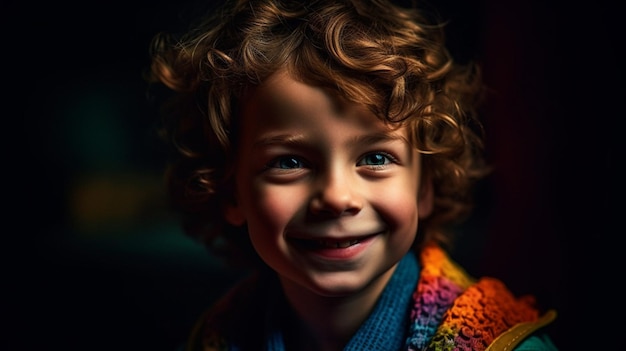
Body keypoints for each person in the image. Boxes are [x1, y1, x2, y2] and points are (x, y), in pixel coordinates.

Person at [146, 0, 559, 350]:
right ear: (230, 192)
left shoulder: (500, 343)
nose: (338, 197)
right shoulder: (215, 336)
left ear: (425, 184)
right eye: (289, 162)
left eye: (377, 158)